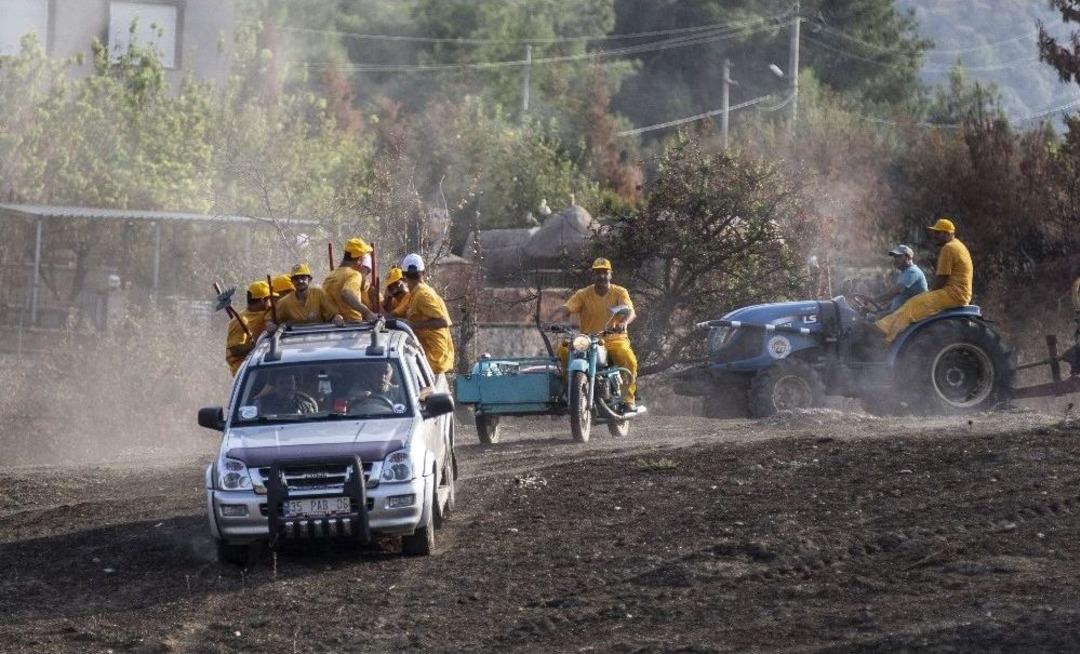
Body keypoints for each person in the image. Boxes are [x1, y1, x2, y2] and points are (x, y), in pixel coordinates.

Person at [550, 257, 639, 411]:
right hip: (588, 340)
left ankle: (628, 399)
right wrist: (553, 320)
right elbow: (567, 308)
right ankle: (572, 390)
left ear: (611, 274)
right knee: (564, 351)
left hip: (614, 339)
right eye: (598, 272)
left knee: (628, 359)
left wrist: (623, 324)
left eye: (605, 272)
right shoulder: (583, 294)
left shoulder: (619, 292)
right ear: (594, 274)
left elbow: (630, 312)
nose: (602, 276)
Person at [875, 218, 973, 343]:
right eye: (934, 233)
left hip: (953, 294)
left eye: (938, 233)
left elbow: (943, 278)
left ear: (948, 234)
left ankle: (885, 334)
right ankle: (884, 328)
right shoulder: (958, 245)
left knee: (912, 304)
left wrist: (929, 293)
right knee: (915, 303)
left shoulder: (948, 248)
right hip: (959, 293)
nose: (935, 236)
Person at [400, 253, 455, 375]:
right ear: (423, 272)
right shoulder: (418, 293)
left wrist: (411, 325)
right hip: (432, 357)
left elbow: (442, 322)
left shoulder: (423, 295)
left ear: (403, 276)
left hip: (434, 359)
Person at [271, 263, 344, 327]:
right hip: (295, 337)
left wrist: (337, 318)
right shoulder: (284, 302)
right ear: (292, 281)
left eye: (303, 277)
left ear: (310, 279)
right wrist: (271, 325)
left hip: (319, 334)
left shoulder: (318, 293)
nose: (300, 281)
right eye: (296, 279)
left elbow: (333, 313)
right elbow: (270, 319)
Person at [323, 238, 377, 321]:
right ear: (359, 259)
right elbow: (346, 293)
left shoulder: (330, 276)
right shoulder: (354, 274)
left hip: (332, 326)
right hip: (352, 325)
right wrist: (367, 313)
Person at [225, 280, 272, 376]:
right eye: (269, 299)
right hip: (245, 371)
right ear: (262, 300)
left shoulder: (266, 313)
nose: (271, 302)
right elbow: (234, 350)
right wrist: (258, 346)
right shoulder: (240, 321)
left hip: (261, 366)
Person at [873, 245, 928, 313]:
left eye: (899, 256)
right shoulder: (904, 272)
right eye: (895, 257)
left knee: (873, 320)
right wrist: (883, 308)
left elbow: (893, 293)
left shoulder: (912, 272)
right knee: (870, 317)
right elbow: (898, 297)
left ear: (908, 257)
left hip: (912, 314)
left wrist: (873, 300)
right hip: (901, 313)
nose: (896, 259)